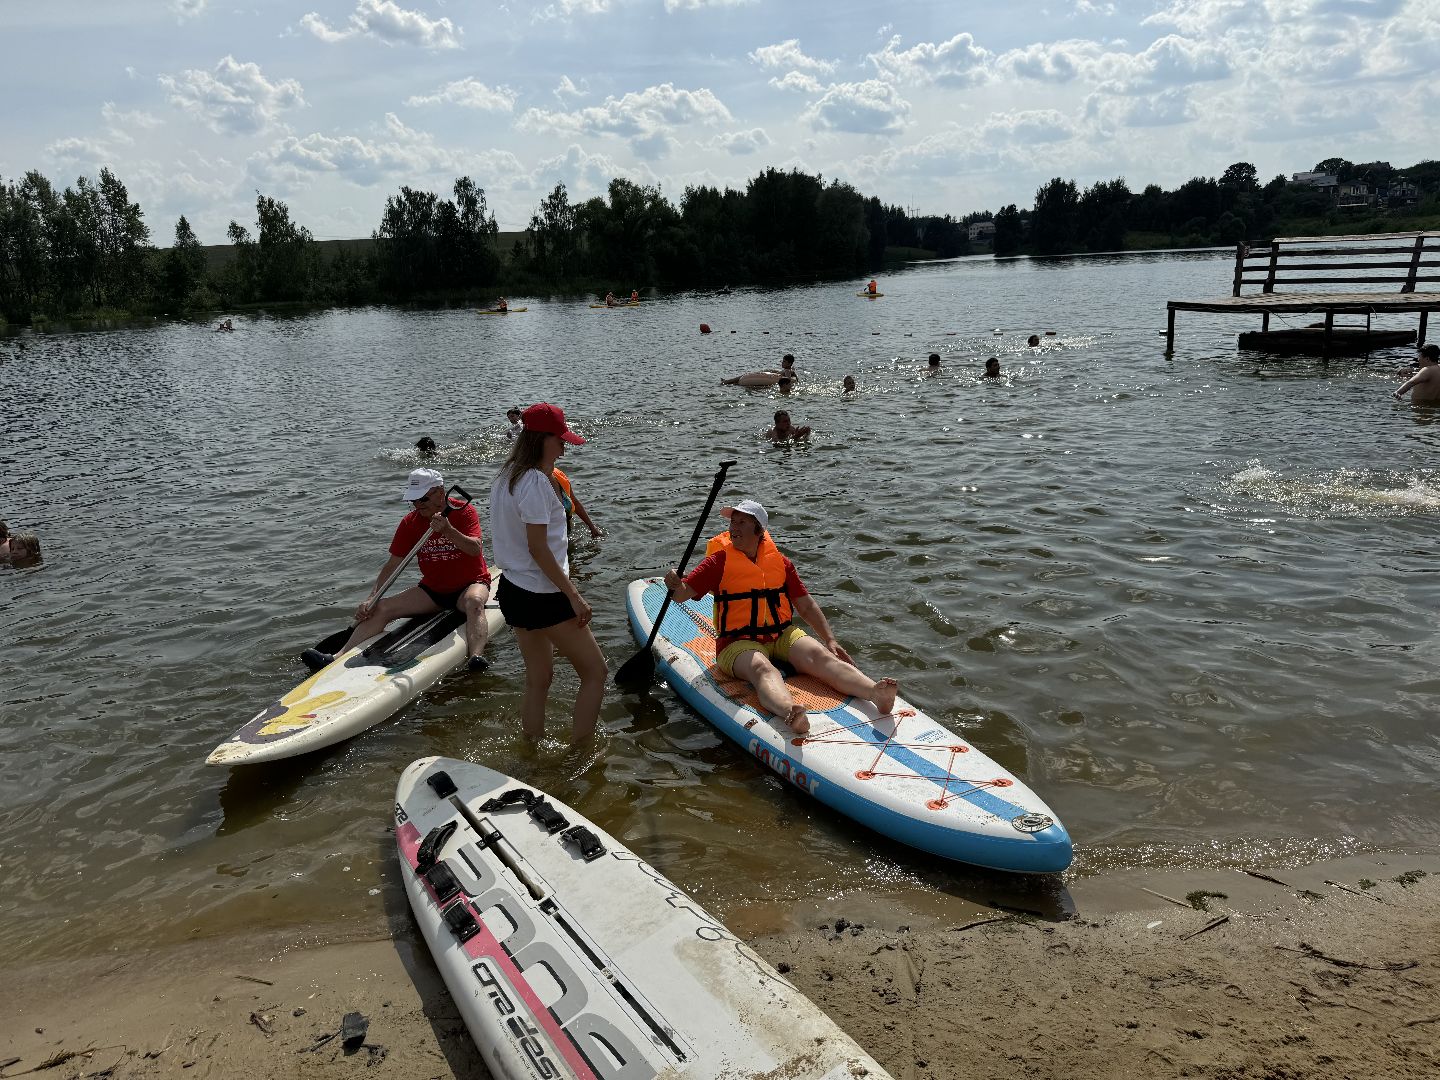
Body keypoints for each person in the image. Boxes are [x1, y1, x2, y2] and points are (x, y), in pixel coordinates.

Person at [663, 500, 897, 735]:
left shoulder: (781, 563)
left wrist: (830, 639)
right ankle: (790, 712)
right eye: (733, 522)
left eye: (742, 522)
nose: (734, 527)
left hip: (780, 633)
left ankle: (875, 693)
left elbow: (805, 605)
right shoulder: (718, 562)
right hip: (736, 642)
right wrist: (674, 584)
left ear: (759, 530)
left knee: (821, 656)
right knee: (763, 668)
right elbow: (682, 595)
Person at [490, 403, 606, 744]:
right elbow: (538, 549)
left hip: (513, 590)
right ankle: (581, 751)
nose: (565, 446)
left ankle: (532, 747)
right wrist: (574, 595)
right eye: (560, 439)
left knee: (538, 679)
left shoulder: (504, 478)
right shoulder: (537, 483)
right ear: (542, 439)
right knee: (596, 673)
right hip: (544, 594)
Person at [301, 468, 493, 674]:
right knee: (381, 608)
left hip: (470, 584)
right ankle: (335, 657)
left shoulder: (464, 512)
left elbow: (475, 549)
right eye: (414, 501)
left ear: (439, 492)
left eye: (423, 499)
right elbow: (393, 565)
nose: (418, 506)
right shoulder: (410, 522)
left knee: (474, 602)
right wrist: (372, 598)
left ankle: (476, 657)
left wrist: (448, 530)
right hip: (433, 590)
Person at [551, 465, 603, 540]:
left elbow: (574, 502)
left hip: (566, 527)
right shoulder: (535, 481)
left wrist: (592, 527)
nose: (562, 454)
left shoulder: (558, 475)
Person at [722, 353, 798, 388]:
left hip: (772, 379)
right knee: (743, 378)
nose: (782, 362)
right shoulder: (788, 370)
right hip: (771, 377)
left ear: (789, 363)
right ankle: (729, 382)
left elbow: (788, 381)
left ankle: (727, 382)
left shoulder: (787, 371)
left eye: (784, 361)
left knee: (743, 377)